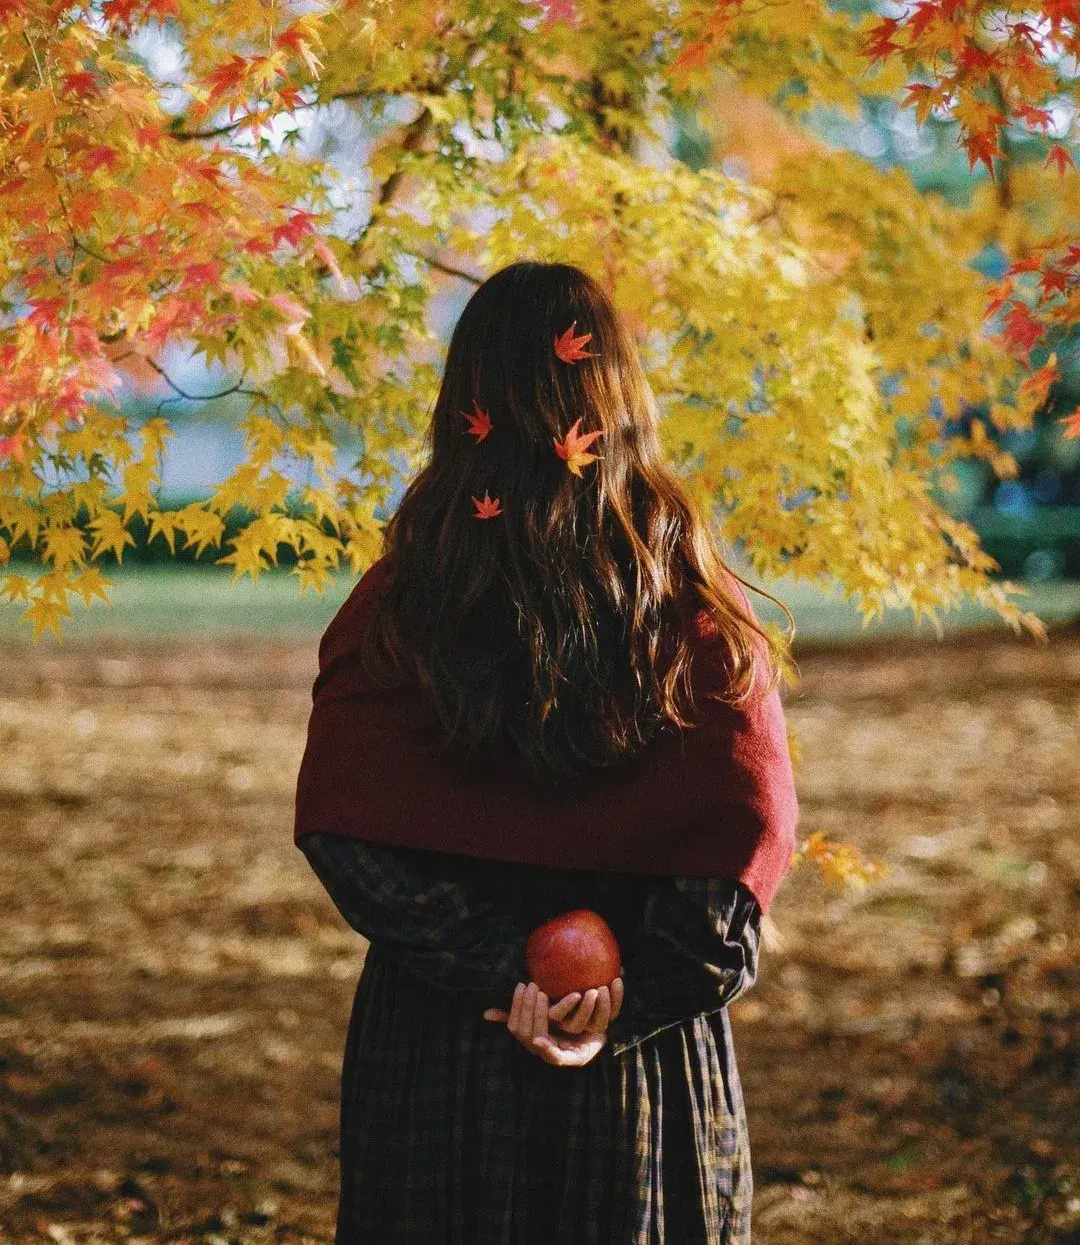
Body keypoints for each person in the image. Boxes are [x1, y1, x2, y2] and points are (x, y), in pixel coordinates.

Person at [294, 260, 800, 1244]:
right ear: (618, 396)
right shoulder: (690, 601)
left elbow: (352, 834)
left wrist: (507, 980)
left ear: (464, 400)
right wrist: (614, 1001)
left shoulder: (404, 596)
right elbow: (743, 840)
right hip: (629, 1058)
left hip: (445, 1039)